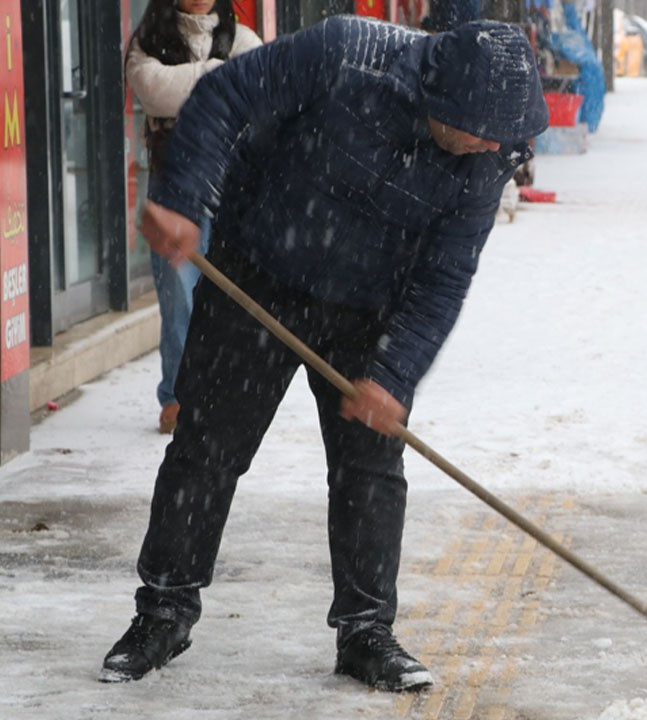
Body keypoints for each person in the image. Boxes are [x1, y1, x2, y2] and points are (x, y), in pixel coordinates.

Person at [99, 17, 549, 693]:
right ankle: (164, 608)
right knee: (207, 446)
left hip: (370, 306)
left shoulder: (486, 157)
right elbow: (225, 98)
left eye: (501, 137)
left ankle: (367, 630)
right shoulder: (346, 53)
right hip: (259, 271)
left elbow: (445, 276)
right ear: (441, 97)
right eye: (481, 129)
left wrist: (393, 375)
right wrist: (180, 198)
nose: (491, 146)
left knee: (370, 463)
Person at [125, 0, 262, 435]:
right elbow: (152, 90)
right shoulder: (147, 41)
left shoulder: (241, 37)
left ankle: (221, 391)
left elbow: (255, 90)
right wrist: (218, 77)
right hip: (170, 185)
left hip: (231, 183)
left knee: (226, 294)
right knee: (178, 297)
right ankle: (179, 395)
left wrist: (189, 85)